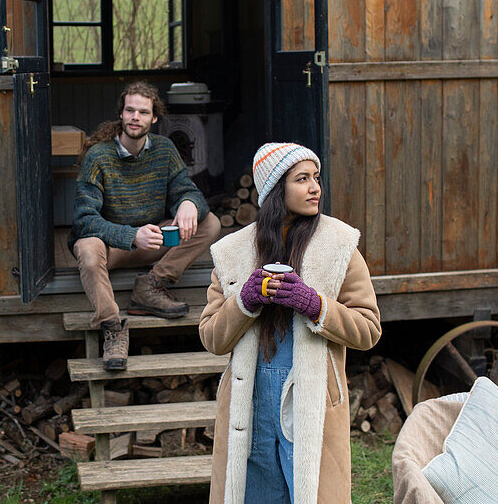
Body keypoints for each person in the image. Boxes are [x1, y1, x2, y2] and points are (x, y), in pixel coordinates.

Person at [199, 142, 381, 504]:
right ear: (275, 190)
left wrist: (315, 306)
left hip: (310, 399)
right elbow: (211, 338)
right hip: (249, 403)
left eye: (316, 178)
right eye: (302, 179)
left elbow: (368, 329)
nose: (315, 187)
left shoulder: (340, 245)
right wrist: (244, 301)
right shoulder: (232, 252)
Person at [71, 82, 221, 371]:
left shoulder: (164, 149)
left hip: (150, 241)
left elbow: (187, 191)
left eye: (143, 112)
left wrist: (189, 202)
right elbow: (83, 220)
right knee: (87, 249)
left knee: (210, 223)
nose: (135, 117)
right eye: (130, 110)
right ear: (121, 113)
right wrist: (130, 235)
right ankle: (112, 327)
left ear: (154, 118)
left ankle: (151, 285)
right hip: (112, 246)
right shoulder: (98, 156)